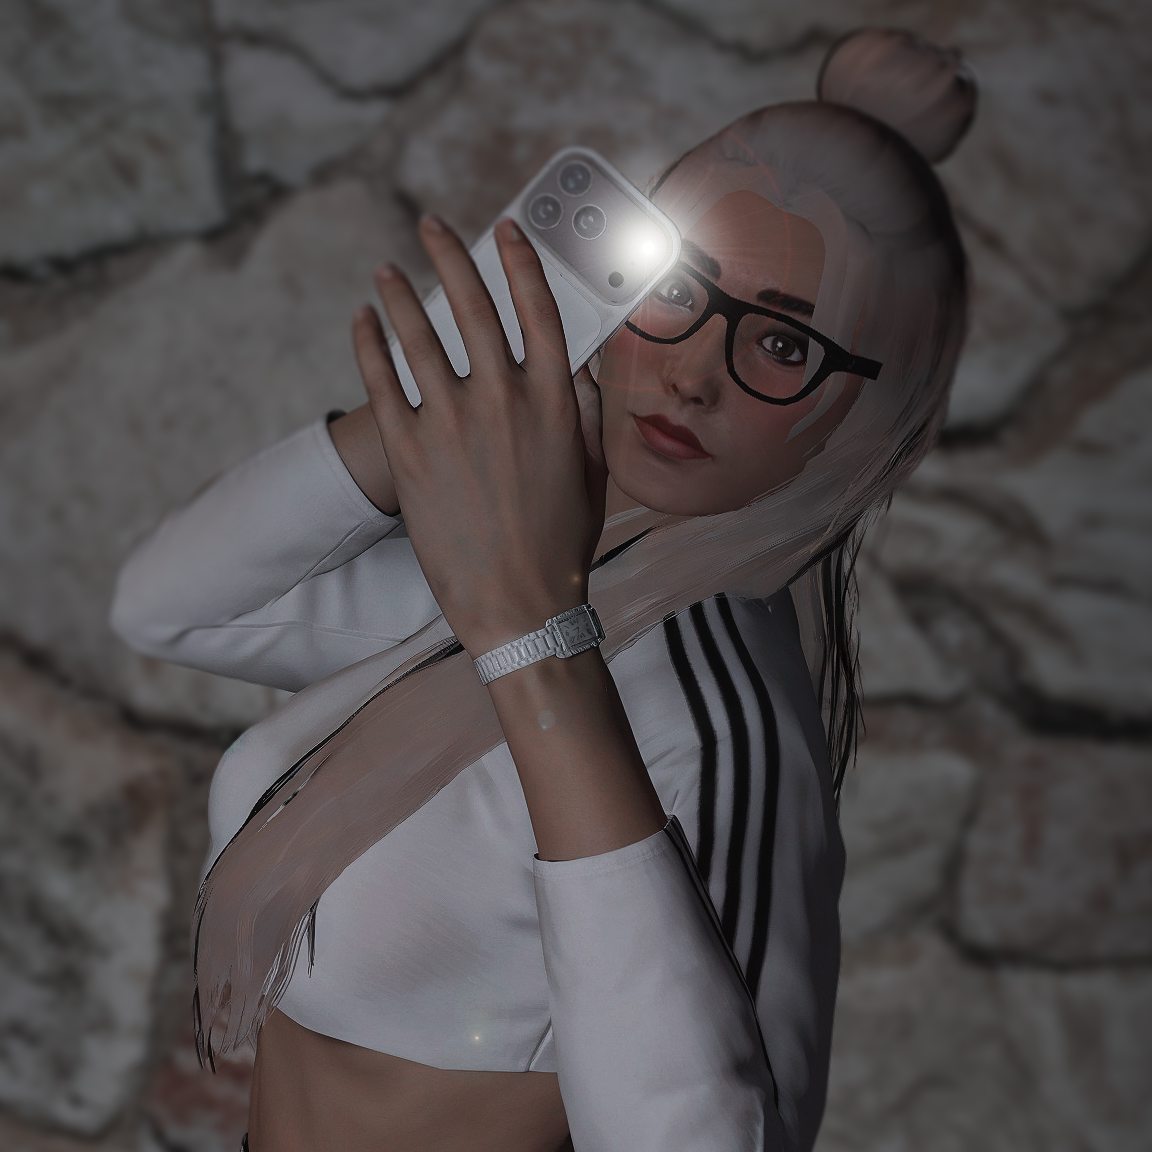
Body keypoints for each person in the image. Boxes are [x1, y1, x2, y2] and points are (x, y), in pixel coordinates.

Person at [111, 28, 976, 1152]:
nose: (693, 372)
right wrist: (445, 393)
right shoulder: (537, 561)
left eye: (783, 345)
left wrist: (530, 636)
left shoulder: (717, 730)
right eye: (677, 287)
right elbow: (170, 606)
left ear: (865, 412)